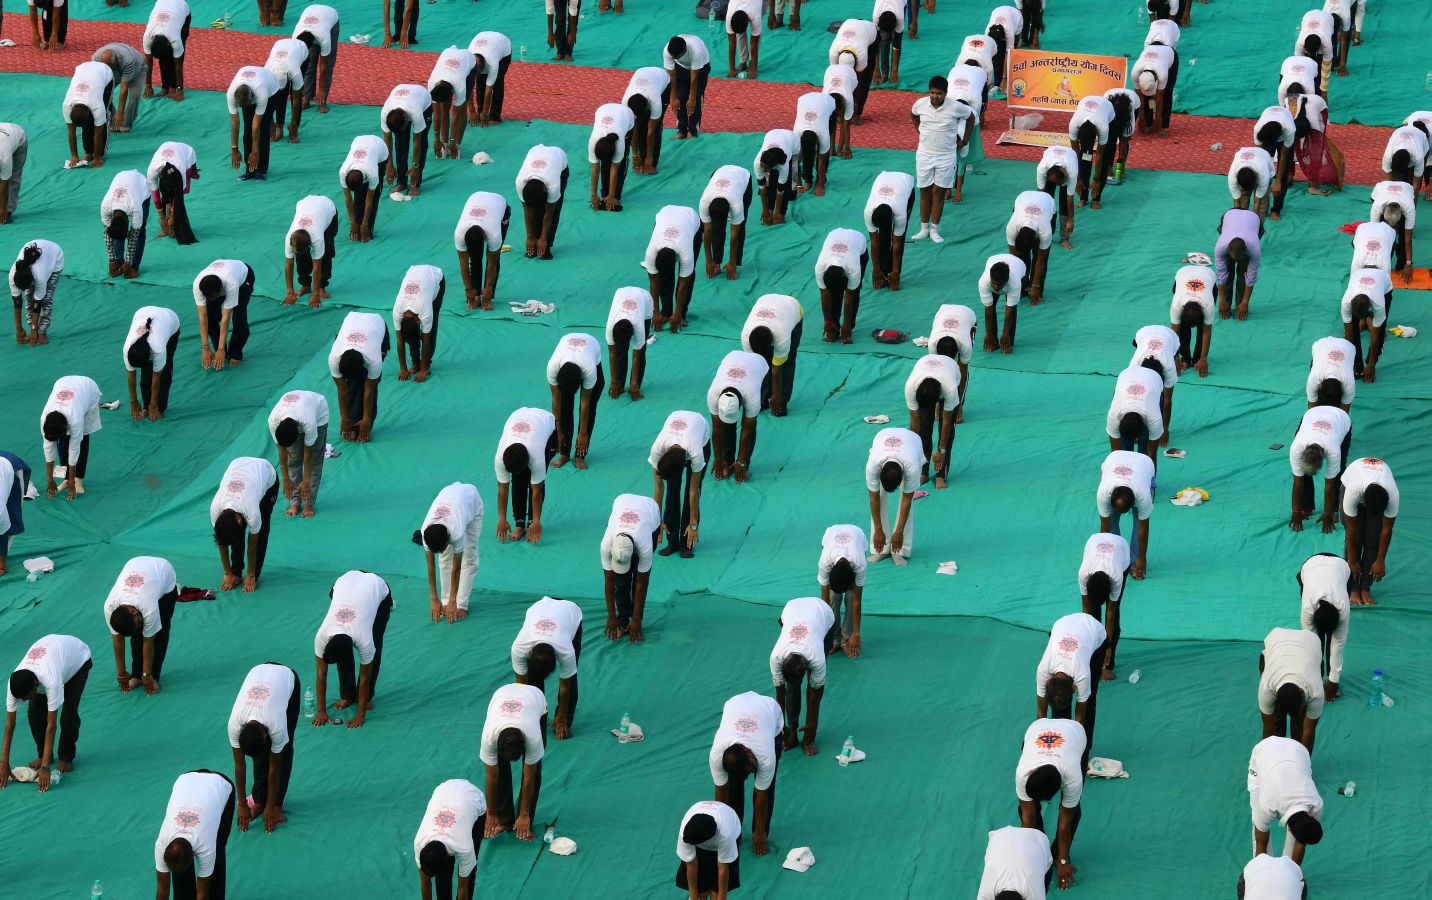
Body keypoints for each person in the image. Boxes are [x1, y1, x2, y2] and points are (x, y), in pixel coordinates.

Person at [0, 634, 92, 791]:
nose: (24, 700)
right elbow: (10, 724)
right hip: (54, 655)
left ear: (35, 685)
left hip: (78, 661)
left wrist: (44, 768)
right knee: (33, 712)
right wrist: (3, 762)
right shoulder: (14, 684)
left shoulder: (50, 680)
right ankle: (45, 755)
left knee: (68, 713)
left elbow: (51, 725)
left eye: (27, 697)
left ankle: (66, 756)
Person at [312, 570, 392, 729]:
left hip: (376, 588)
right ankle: (348, 695)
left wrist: (360, 715)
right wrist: (321, 711)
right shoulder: (322, 636)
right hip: (345, 581)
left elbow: (364, 678)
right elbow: (321, 674)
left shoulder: (364, 640)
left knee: (375, 647)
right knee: (344, 651)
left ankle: (365, 698)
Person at [1014, 718, 1087, 892]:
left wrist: (1063, 862)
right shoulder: (1023, 773)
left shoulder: (1072, 776)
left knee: (1073, 812)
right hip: (1038, 727)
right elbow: (1027, 818)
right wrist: (1027, 859)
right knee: (1026, 811)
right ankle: (1040, 852)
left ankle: (1057, 853)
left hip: (1074, 733)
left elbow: (1064, 826)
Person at [227, 662, 299, 833]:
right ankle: (258, 799)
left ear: (265, 735)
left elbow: (274, 768)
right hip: (258, 671)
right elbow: (240, 766)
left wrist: (271, 807)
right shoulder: (234, 725)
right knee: (260, 755)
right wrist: (242, 804)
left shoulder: (276, 726)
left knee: (285, 750)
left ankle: (276, 804)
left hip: (287, 678)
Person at [709, 691, 782, 855]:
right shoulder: (717, 757)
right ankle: (735, 832)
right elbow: (721, 797)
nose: (752, 772)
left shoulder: (765, 755)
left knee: (766, 787)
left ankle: (760, 830)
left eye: (752, 768)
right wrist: (724, 832)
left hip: (770, 713)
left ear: (748, 752)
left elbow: (761, 796)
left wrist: (760, 831)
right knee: (733, 786)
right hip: (735, 704)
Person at [479, 682, 547, 840]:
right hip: (502, 693)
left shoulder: (533, 737)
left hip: (535, 699)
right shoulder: (489, 737)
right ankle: (505, 820)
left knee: (533, 770)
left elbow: (529, 778)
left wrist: (524, 814)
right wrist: (491, 812)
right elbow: (492, 777)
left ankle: (524, 821)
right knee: (499, 770)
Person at [153, 770, 236, 899]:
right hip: (186, 779)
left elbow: (202, 894)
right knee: (180, 869)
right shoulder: (161, 845)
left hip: (220, 784)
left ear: (193, 855)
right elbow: (163, 888)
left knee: (217, 852)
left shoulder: (206, 847)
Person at [770, 596, 835, 756]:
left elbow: (816, 695)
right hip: (792, 609)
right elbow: (780, 694)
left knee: (813, 688)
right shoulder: (776, 657)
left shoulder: (817, 659)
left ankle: (808, 739)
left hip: (823, 613)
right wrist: (782, 727)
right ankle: (792, 732)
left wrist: (811, 727)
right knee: (791, 687)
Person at [511, 595, 582, 737]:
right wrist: (523, 719)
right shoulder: (519, 648)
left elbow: (564, 687)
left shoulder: (566, 651)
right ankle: (537, 714)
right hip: (540, 606)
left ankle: (563, 718)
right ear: (529, 655)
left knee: (571, 677)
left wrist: (561, 718)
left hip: (570, 611)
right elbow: (521, 687)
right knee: (531, 684)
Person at [1247, 736, 1323, 864]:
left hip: (1299, 751)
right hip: (1265, 751)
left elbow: (1301, 841)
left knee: (1300, 836)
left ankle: (1286, 871)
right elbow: (1261, 844)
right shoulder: (1268, 804)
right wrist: (1260, 871)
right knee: (1257, 817)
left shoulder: (1316, 805)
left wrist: (1293, 874)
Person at [1034, 613, 1108, 745]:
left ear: (1074, 688)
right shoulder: (1043, 670)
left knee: (1089, 698)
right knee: (1059, 700)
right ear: (1048, 682)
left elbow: (1079, 722)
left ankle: (1084, 756)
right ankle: (1060, 743)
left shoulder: (1082, 675)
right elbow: (1041, 715)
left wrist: (1075, 750)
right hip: (1062, 624)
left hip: (1095, 631)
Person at [910, 77, 968, 242]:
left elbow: (970, 118)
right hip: (924, 154)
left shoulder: (956, 107)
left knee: (939, 192)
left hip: (946, 156)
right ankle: (923, 229)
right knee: (925, 191)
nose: (935, 96)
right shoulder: (920, 104)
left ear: (946, 93)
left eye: (939, 93)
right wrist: (920, 132)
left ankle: (934, 229)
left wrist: (963, 141)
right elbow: (914, 115)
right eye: (932, 92)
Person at [417, 482, 483, 624]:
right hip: (450, 495)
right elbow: (430, 567)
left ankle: (461, 604)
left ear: (448, 538)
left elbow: (456, 568)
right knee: (444, 558)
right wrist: (434, 599)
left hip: (472, 505)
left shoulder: (456, 533)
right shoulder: (425, 533)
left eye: (443, 546)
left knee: (469, 558)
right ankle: (445, 601)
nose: (441, 550)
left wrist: (456, 600)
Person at [211, 456, 278, 592]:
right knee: (231, 534)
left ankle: (254, 575)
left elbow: (252, 545)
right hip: (238, 464)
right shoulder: (215, 510)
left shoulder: (251, 511)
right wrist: (227, 573)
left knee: (262, 528)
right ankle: (236, 572)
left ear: (240, 520)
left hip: (266, 473)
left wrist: (250, 574)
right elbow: (222, 541)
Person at [600, 493, 660, 642]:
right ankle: (623, 620)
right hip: (622, 500)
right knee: (621, 579)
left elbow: (641, 583)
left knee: (637, 579)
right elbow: (609, 582)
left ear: (634, 550)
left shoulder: (645, 545)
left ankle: (635, 618)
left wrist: (637, 619)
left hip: (650, 512)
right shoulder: (606, 545)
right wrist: (611, 616)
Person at [415, 779, 487, 900]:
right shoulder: (420, 843)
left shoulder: (464, 847)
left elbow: (462, 887)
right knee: (442, 876)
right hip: (443, 790)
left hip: (474, 800)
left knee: (469, 871)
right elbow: (425, 883)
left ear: (448, 856)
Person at [494, 407, 558, 544]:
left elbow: (537, 491)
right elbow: (502, 490)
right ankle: (519, 524)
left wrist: (536, 522)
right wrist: (501, 519)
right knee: (518, 481)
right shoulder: (500, 459)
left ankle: (530, 523)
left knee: (533, 481)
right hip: (518, 414)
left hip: (547, 427)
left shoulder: (537, 458)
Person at [650, 411, 707, 559]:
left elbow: (693, 491)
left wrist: (693, 524)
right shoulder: (658, 449)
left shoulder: (696, 453)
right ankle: (672, 541)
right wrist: (657, 521)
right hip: (677, 432)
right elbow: (658, 487)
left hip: (700, 435)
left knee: (691, 489)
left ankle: (686, 543)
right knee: (671, 491)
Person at [1341, 456, 1397, 607]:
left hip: (1375, 492)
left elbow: (1386, 529)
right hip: (1351, 479)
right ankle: (1353, 587)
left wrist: (1380, 560)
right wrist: (1352, 560)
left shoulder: (1392, 495)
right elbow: (1350, 530)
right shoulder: (1353, 492)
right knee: (1357, 537)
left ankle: (1365, 588)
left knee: (1373, 541)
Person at [1258, 627, 1324, 753]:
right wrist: (1269, 759)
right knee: (1277, 718)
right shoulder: (1266, 688)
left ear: (1301, 692)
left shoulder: (1316, 691)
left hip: (1310, 643)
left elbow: (1309, 729)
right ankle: (1278, 755)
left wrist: (1304, 764)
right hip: (1275, 641)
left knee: (1299, 720)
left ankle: (1296, 755)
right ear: (1275, 695)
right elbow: (1268, 726)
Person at [708, 351, 769, 484]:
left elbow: (747, 432)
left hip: (759, 364)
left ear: (741, 403)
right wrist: (718, 458)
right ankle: (727, 462)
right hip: (731, 356)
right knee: (726, 427)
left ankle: (742, 465)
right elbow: (717, 429)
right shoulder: (713, 395)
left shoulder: (752, 399)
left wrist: (742, 462)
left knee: (750, 426)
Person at [865, 427, 923, 566]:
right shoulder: (873, 466)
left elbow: (906, 500)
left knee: (907, 499)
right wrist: (878, 530)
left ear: (902, 478)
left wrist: (899, 531)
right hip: (883, 435)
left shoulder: (911, 468)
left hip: (912, 442)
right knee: (878, 494)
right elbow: (874, 499)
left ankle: (899, 550)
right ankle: (881, 549)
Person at [1288, 405, 1351, 534]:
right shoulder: (1296, 448)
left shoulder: (1333, 451)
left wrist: (1327, 513)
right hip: (1312, 414)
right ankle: (1306, 507)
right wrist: (1295, 512)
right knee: (1302, 477)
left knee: (1339, 472)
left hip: (1341, 419)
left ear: (1322, 462)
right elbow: (1298, 483)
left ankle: (1333, 510)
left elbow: (1329, 485)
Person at [546, 333, 605, 468]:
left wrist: (583, 433)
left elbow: (585, 403)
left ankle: (580, 455)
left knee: (590, 407)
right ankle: (564, 454)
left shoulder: (589, 370)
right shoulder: (552, 368)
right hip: (567, 341)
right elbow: (556, 399)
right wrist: (558, 431)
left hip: (591, 347)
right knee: (564, 406)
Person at [328, 311, 387, 442]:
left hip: (377, 325)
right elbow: (342, 390)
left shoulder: (373, 360)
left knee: (365, 382)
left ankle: (365, 425)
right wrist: (344, 418)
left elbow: (369, 391)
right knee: (354, 383)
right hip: (351, 321)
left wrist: (366, 419)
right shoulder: (334, 359)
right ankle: (354, 423)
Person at [268, 389, 329, 518]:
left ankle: (308, 503)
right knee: (293, 459)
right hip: (297, 409)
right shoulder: (273, 421)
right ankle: (295, 502)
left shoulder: (309, 423)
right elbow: (282, 451)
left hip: (318, 415)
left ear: (298, 430)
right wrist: (285, 479)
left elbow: (308, 455)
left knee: (315, 462)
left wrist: (306, 481)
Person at [1079, 533, 1131, 681]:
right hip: (1094, 541)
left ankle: (1107, 665)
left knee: (1114, 621)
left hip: (1120, 549)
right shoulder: (1084, 575)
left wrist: (1107, 645)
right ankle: (1094, 661)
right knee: (1093, 618)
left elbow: (1110, 612)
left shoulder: (1116, 577)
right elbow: (1086, 611)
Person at [741, 294, 803, 417]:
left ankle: (781, 402)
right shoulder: (746, 337)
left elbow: (777, 369)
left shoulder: (782, 336)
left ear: (772, 342)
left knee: (787, 361)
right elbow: (754, 367)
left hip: (793, 309)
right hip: (766, 299)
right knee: (762, 361)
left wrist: (776, 397)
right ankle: (763, 397)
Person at [1298, 553, 1349, 702]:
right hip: (1310, 566)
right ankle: (1317, 679)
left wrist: (1334, 680)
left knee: (1334, 643)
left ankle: (1331, 682)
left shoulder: (1343, 609)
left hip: (1340, 567)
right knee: (1315, 641)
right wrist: (1314, 680)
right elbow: (1309, 643)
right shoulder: (1308, 608)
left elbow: (1338, 644)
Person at [41, 374, 101, 499]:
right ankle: (66, 478)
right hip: (63, 382)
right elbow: (48, 448)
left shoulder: (75, 419)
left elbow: (74, 449)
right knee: (62, 441)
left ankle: (78, 479)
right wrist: (50, 480)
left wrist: (73, 484)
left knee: (82, 437)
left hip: (88, 390)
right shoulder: (45, 420)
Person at [644, 205, 701, 333]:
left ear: (676, 259)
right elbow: (654, 283)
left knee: (688, 275)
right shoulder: (651, 254)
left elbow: (682, 287)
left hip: (691, 220)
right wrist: (656, 312)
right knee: (664, 278)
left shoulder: (685, 254)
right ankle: (666, 312)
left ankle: (681, 314)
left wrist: (678, 314)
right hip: (665, 213)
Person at [1095, 450, 1153, 578]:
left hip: (1144, 463)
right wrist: (1105, 562)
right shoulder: (1103, 494)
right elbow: (1105, 530)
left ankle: (1134, 563)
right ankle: (1115, 559)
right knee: (1111, 524)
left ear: (1133, 505)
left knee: (1138, 523)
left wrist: (1142, 559)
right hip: (1114, 458)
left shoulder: (1143, 497)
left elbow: (1143, 529)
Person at [904, 356, 959, 488]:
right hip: (926, 365)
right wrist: (913, 452)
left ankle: (941, 474)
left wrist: (941, 451)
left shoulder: (950, 389)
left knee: (947, 431)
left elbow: (946, 422)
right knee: (924, 427)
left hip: (951, 370)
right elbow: (915, 422)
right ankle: (924, 472)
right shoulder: (911, 387)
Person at [454, 190, 510, 310]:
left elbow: (492, 263)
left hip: (499, 205)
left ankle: (488, 296)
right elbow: (463, 263)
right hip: (476, 196)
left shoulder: (493, 234)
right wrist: (468, 289)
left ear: (485, 236)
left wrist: (488, 288)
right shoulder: (459, 234)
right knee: (475, 259)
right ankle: (476, 294)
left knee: (494, 257)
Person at [193, 259, 253, 370]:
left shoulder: (231, 284)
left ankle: (235, 352)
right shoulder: (198, 285)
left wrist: (220, 349)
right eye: (208, 297)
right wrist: (205, 348)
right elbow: (203, 317)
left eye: (214, 296)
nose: (211, 299)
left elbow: (226, 319)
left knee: (239, 316)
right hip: (218, 280)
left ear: (220, 291)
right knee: (210, 317)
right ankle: (222, 352)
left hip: (244, 277)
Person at [123, 306, 180, 422]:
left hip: (170, 321)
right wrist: (134, 402)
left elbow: (156, 377)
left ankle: (160, 407)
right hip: (143, 312)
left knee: (165, 368)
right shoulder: (127, 349)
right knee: (146, 371)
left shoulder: (158, 348)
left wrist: (154, 405)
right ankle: (145, 406)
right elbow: (131, 376)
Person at [817, 524, 866, 658]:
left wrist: (856, 634)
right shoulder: (824, 563)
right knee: (833, 596)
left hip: (857, 534)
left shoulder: (860, 563)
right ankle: (835, 638)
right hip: (831, 533)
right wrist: (826, 634)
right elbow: (825, 601)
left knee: (851, 596)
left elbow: (857, 601)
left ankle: (845, 639)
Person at [675, 800, 742, 899]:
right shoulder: (686, 833)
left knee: (716, 895)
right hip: (702, 836)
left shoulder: (726, 834)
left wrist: (722, 897)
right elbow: (691, 866)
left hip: (728, 828)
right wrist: (693, 896)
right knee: (700, 893)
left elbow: (723, 869)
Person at [227, 65, 280, 182]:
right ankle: (249, 170)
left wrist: (255, 151)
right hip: (250, 86)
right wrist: (234, 149)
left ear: (251, 99)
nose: (245, 108)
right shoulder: (231, 94)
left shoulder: (261, 93)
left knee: (262, 129)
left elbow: (256, 125)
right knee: (247, 129)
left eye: (247, 105)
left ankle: (261, 169)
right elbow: (235, 122)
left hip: (271, 90)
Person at [392, 264, 444, 383]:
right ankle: (416, 363)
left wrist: (424, 370)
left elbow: (426, 339)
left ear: (418, 321)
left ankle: (426, 364)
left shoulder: (425, 312)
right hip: (414, 271)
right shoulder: (397, 312)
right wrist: (403, 368)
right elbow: (400, 339)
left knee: (432, 324)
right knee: (411, 336)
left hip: (436, 277)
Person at [700, 165, 753, 281]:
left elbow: (734, 236)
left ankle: (735, 262)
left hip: (743, 177)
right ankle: (717, 262)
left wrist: (732, 262)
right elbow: (707, 233)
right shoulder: (704, 202)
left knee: (740, 226)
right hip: (719, 171)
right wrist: (709, 261)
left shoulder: (736, 205)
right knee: (716, 227)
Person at [516, 144, 569, 260]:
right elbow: (527, 211)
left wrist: (544, 238)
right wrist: (530, 236)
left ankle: (546, 247)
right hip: (536, 151)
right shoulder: (520, 183)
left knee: (551, 211)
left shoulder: (553, 185)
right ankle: (535, 242)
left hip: (559, 160)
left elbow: (549, 214)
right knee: (535, 210)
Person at [283, 195, 337, 307]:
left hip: (328, 210)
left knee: (325, 253)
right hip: (306, 203)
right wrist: (290, 293)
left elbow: (317, 266)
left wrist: (316, 294)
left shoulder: (317, 238)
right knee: (300, 257)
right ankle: (306, 285)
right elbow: (289, 264)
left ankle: (322, 286)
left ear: (309, 245)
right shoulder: (289, 238)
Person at [815, 228, 867, 344]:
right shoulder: (820, 268)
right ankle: (834, 328)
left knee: (855, 290)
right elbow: (825, 295)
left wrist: (847, 323)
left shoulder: (853, 268)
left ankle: (849, 328)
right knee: (834, 294)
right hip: (835, 234)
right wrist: (827, 321)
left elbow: (850, 296)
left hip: (859, 245)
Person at [1105, 365, 1164, 467]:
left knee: (1144, 453)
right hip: (1126, 375)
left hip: (1153, 379)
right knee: (1124, 452)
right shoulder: (1113, 416)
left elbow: (1151, 455)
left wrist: (1151, 481)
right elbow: (1115, 454)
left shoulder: (1154, 418)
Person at [865, 171, 915, 290]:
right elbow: (874, 242)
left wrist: (896, 271)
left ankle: (893, 275)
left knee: (899, 237)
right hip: (885, 177)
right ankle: (883, 273)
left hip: (905, 184)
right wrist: (876, 269)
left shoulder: (900, 213)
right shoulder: (868, 212)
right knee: (883, 237)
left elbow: (897, 243)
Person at [381, 84, 433, 198]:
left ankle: (415, 183)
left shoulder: (416, 113)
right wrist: (389, 164)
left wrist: (415, 166)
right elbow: (388, 140)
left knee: (422, 143)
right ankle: (401, 182)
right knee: (400, 143)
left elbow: (417, 142)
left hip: (423, 100)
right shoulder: (385, 114)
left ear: (406, 119)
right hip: (401, 91)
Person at [11, 239, 65, 347]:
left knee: (47, 298)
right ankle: (32, 328)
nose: (21, 291)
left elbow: (38, 303)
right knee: (28, 297)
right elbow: (17, 302)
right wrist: (19, 329)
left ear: (32, 280)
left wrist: (34, 330)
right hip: (40, 260)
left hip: (55, 258)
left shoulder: (40, 276)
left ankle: (42, 331)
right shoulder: (13, 276)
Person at [1289, 88, 1342, 195]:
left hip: (1320, 107)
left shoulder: (1314, 125)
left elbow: (1316, 153)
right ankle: (1289, 175)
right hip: (1303, 107)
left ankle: (1314, 184)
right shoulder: (1289, 111)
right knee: (1291, 145)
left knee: (1315, 150)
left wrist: (1313, 181)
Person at [976, 826, 1054, 900]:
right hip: (1001, 836)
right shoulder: (984, 893)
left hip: (1039, 838)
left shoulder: (1035, 895)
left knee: (1044, 881)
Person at [927, 304, 975, 420]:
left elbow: (963, 373)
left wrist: (958, 404)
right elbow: (935, 373)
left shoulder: (965, 345)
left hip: (968, 315)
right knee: (939, 369)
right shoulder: (932, 344)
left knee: (959, 369)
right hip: (943, 311)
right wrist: (937, 402)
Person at [63, 61, 115, 170]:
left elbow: (98, 133)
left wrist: (97, 157)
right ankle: (88, 152)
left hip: (105, 73)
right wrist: (74, 156)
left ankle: (98, 153)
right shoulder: (67, 105)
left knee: (103, 115)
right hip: (83, 68)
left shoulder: (97, 105)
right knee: (87, 125)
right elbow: (71, 132)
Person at [100, 168, 149, 279]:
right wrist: (112, 259)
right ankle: (119, 264)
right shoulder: (105, 206)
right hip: (120, 176)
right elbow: (107, 234)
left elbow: (133, 237)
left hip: (141, 186)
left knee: (140, 231)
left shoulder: (136, 208)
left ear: (128, 221)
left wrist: (129, 263)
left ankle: (134, 267)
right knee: (116, 234)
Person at [427, 47, 475, 160]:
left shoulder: (459, 86)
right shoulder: (432, 84)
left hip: (469, 62)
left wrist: (453, 141)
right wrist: (436, 139)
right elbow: (437, 114)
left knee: (461, 110)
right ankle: (444, 143)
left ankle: (456, 145)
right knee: (443, 110)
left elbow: (456, 115)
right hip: (449, 53)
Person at [1006, 191, 1054, 303]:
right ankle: (1022, 289)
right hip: (1023, 198)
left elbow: (1040, 260)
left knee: (1038, 256)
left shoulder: (1045, 231)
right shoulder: (1011, 228)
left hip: (1047, 202)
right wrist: (1014, 288)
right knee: (1020, 258)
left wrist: (1036, 286)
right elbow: (1013, 260)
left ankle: (1037, 291)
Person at [1215, 207, 1262, 320]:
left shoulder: (1254, 249)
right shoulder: (1220, 248)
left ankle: (1240, 306)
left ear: (1246, 250)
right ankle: (1226, 305)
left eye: (1240, 258)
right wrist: (1222, 301)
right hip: (1230, 214)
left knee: (1243, 271)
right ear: (1228, 251)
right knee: (1227, 270)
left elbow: (1251, 279)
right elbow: (1221, 277)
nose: (1237, 260)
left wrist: (1245, 303)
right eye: (1234, 257)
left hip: (1254, 219)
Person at [147, 141, 199, 243]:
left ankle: (174, 225)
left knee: (176, 199)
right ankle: (167, 226)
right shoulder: (152, 171)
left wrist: (172, 217)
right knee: (166, 196)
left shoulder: (181, 172)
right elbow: (157, 198)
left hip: (186, 154)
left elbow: (178, 197)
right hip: (167, 149)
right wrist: (162, 218)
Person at [606, 285, 652, 400]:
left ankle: (635, 386)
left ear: (632, 334)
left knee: (641, 351)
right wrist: (613, 382)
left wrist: (634, 384)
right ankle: (619, 385)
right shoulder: (610, 328)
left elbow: (636, 355)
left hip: (644, 300)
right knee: (619, 351)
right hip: (621, 292)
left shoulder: (639, 328)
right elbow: (612, 353)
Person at [1067, 96, 1114, 209]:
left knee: (1104, 158)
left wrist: (1096, 180)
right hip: (1086, 101)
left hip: (1107, 110)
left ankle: (1096, 198)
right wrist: (1079, 178)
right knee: (1085, 157)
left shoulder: (1103, 128)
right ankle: (1083, 197)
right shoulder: (1073, 125)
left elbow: (1099, 156)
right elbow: (1075, 155)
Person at [589, 102, 636, 212]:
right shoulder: (593, 143)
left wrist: (612, 195)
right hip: (603, 109)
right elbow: (595, 170)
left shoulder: (620, 144)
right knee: (605, 164)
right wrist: (593, 195)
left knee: (621, 161)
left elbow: (614, 170)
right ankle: (605, 194)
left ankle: (615, 196)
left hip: (626, 115)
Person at [339, 134, 386, 242]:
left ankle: (368, 229)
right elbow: (348, 199)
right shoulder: (343, 172)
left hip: (379, 150)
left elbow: (369, 201)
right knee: (359, 196)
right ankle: (357, 227)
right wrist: (353, 223)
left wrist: (365, 224)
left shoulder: (373, 174)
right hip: (359, 141)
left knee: (373, 198)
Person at [1170, 264, 1215, 377]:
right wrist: (1175, 359)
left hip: (1208, 275)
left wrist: (1203, 359)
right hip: (1183, 273)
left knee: (1202, 328)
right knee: (1183, 328)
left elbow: (1206, 332)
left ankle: (1197, 359)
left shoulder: (1208, 306)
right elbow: (1174, 333)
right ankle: (1185, 358)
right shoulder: (1177, 306)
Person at [664, 34, 712, 140]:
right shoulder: (668, 51)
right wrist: (673, 96)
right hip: (681, 67)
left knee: (696, 99)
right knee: (680, 97)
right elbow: (672, 76)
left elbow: (694, 77)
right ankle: (682, 129)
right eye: (674, 57)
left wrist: (692, 97)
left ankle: (692, 130)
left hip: (701, 66)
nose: (675, 58)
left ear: (685, 50)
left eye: (677, 57)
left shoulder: (696, 51)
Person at [978, 253, 1028, 354]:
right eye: (994, 283)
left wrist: (1005, 334)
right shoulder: (984, 282)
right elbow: (988, 308)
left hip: (1019, 266)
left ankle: (1008, 341)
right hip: (993, 259)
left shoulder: (1015, 282)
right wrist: (988, 334)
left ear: (1006, 280)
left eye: (999, 284)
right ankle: (994, 341)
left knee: (1012, 310)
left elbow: (1009, 309)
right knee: (991, 306)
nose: (996, 287)